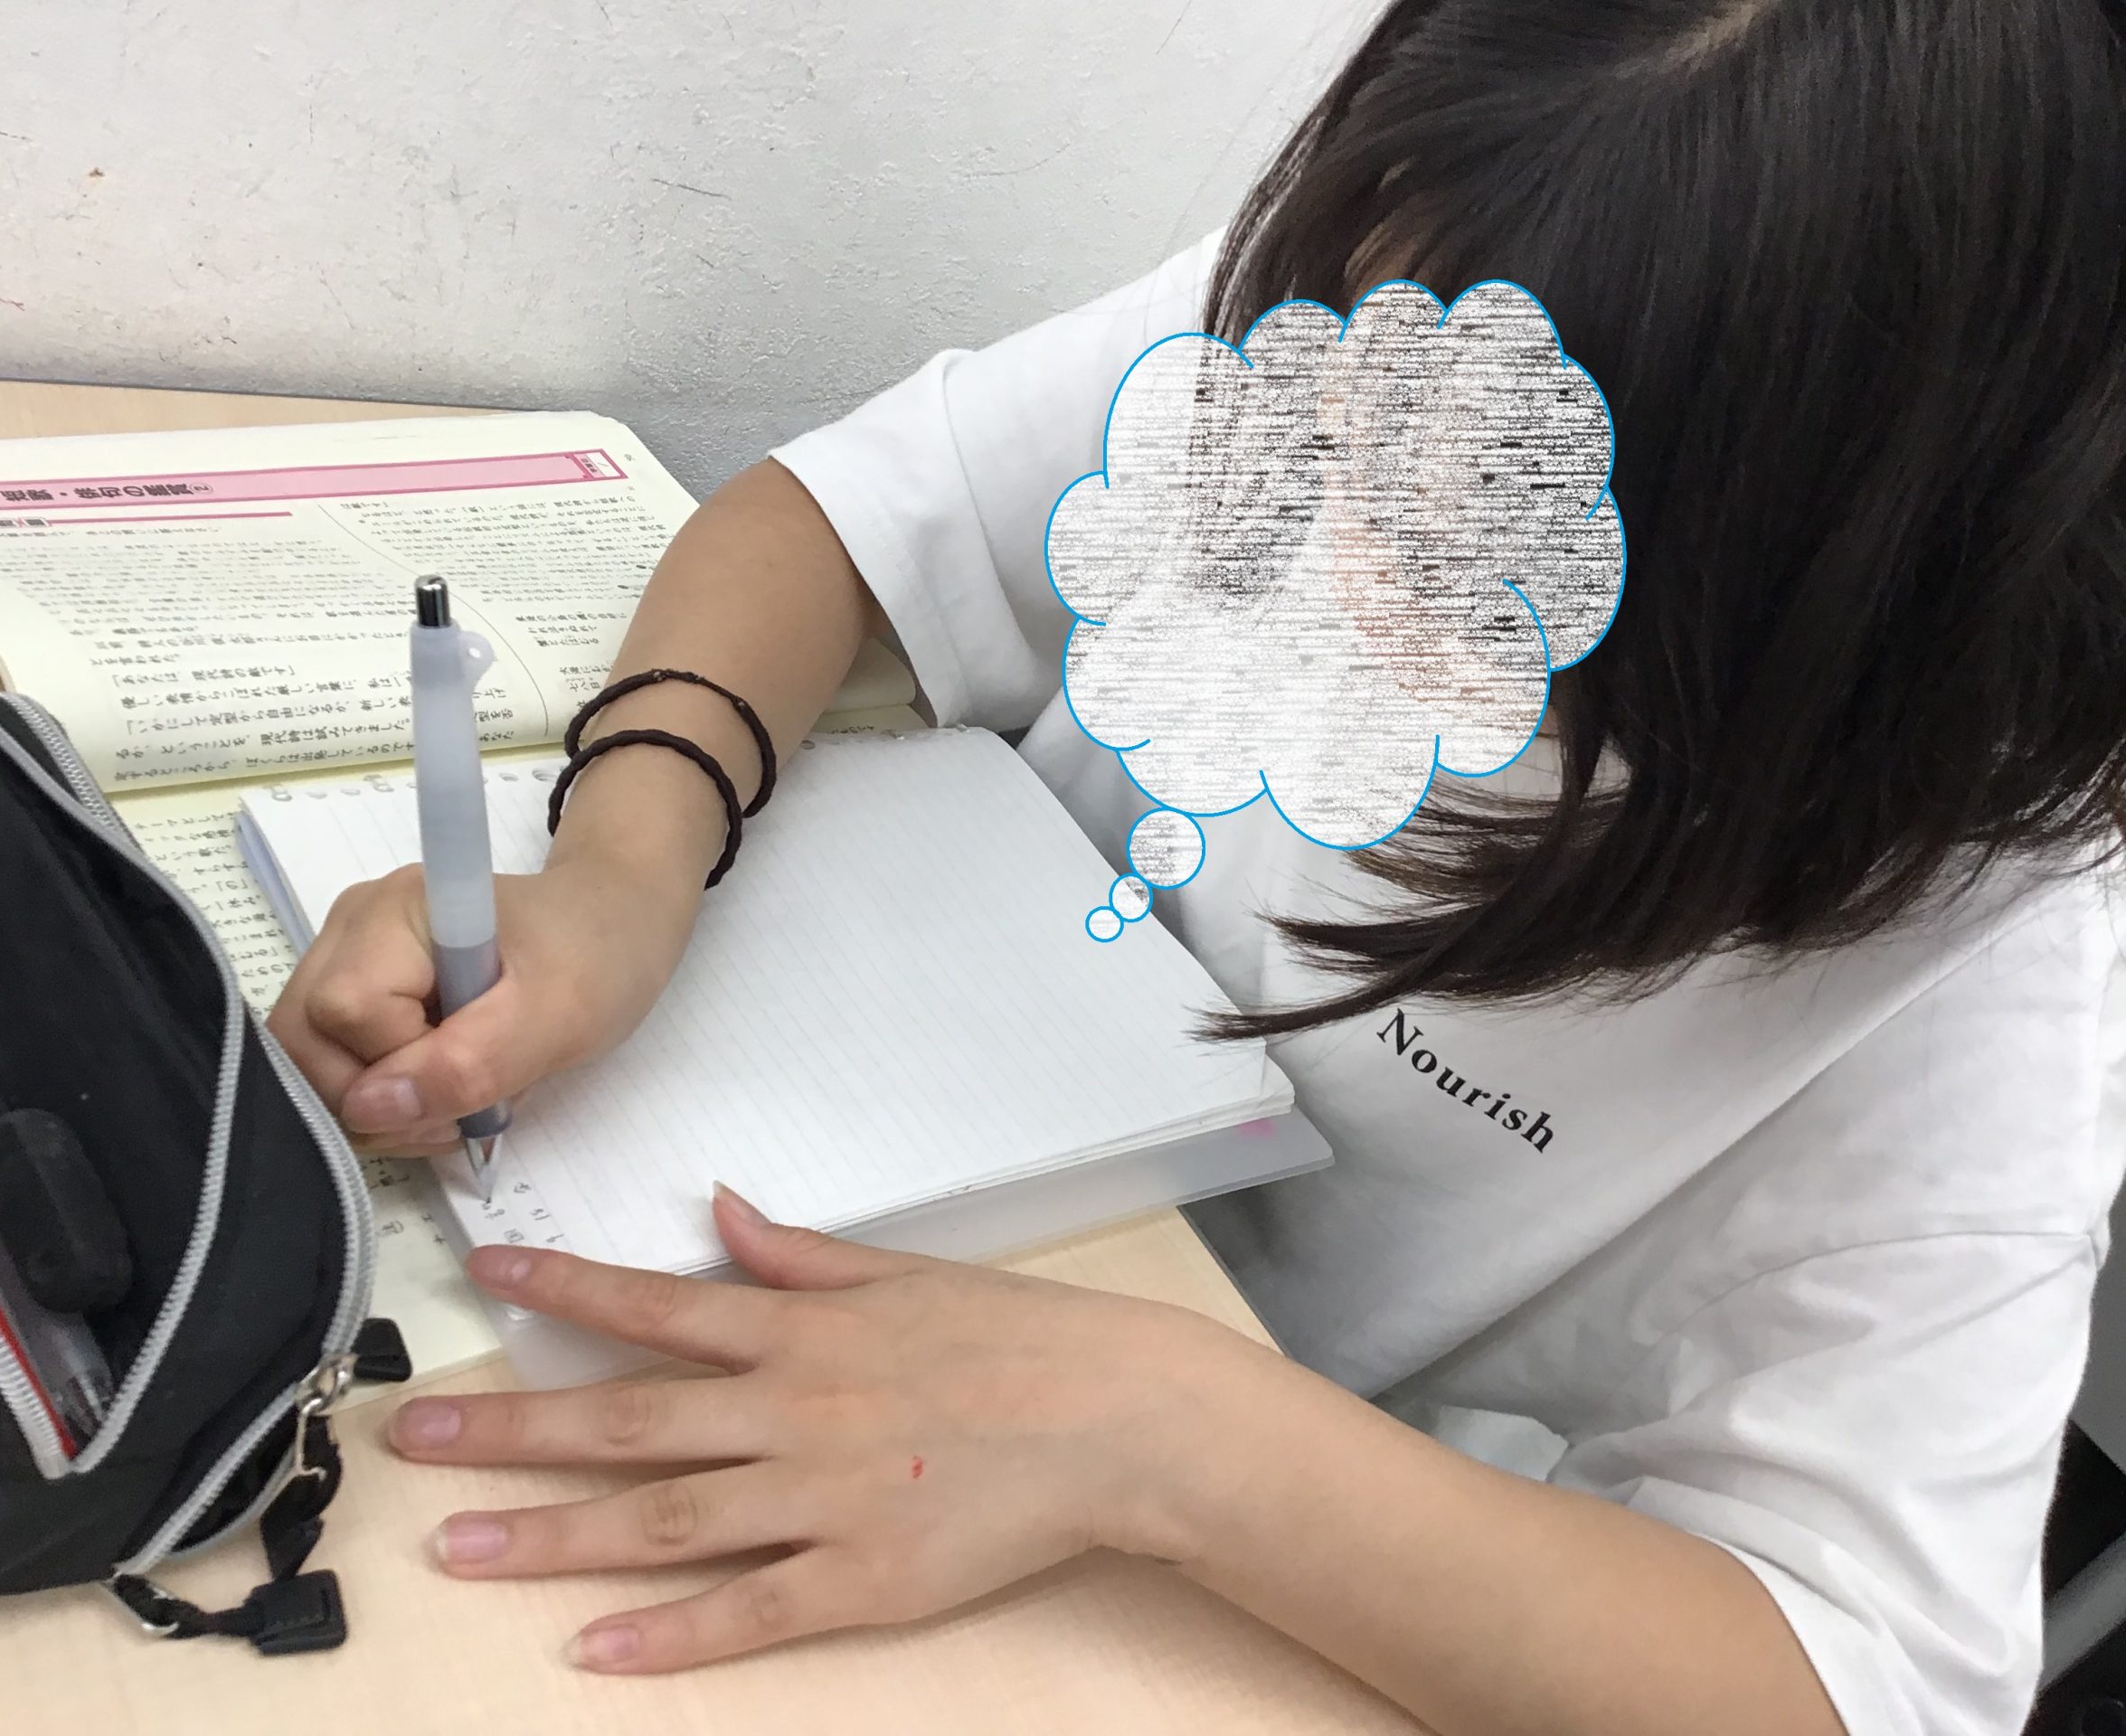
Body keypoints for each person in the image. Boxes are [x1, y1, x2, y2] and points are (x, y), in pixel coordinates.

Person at [267, 3, 2126, 1731]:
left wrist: (1165, 1435)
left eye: (1481, 527)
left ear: (1815, 585)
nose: (1342, 492)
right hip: (876, 1206)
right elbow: (845, 516)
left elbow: (1870, 1682)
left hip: (1241, 1552)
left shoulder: (1982, 960)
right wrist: (625, 857)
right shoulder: (1427, 302)